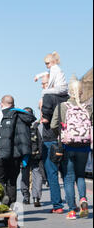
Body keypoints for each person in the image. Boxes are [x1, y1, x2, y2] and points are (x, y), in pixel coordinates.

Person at [0, 95, 36, 207]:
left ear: (1, 104)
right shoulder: (19, 115)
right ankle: (11, 205)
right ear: (13, 105)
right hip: (15, 153)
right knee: (12, 180)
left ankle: (4, 196)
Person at [51, 79, 92, 220]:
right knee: (80, 175)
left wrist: (61, 135)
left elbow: (53, 125)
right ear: (81, 91)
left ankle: (72, 211)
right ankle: (83, 199)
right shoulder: (88, 107)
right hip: (84, 147)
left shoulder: (62, 106)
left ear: (69, 91)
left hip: (67, 146)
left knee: (68, 178)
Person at [40, 74, 70, 213]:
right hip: (65, 139)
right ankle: (72, 204)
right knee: (67, 174)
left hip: (50, 139)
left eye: (44, 84)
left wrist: (42, 112)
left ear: (51, 83)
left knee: (52, 174)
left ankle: (57, 206)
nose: (42, 86)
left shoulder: (47, 97)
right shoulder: (67, 97)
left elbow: (45, 120)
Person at [20, 107, 45, 207]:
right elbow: (41, 141)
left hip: (24, 156)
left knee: (24, 176)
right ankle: (36, 197)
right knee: (37, 175)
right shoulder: (37, 126)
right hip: (36, 154)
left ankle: (26, 197)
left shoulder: (20, 126)